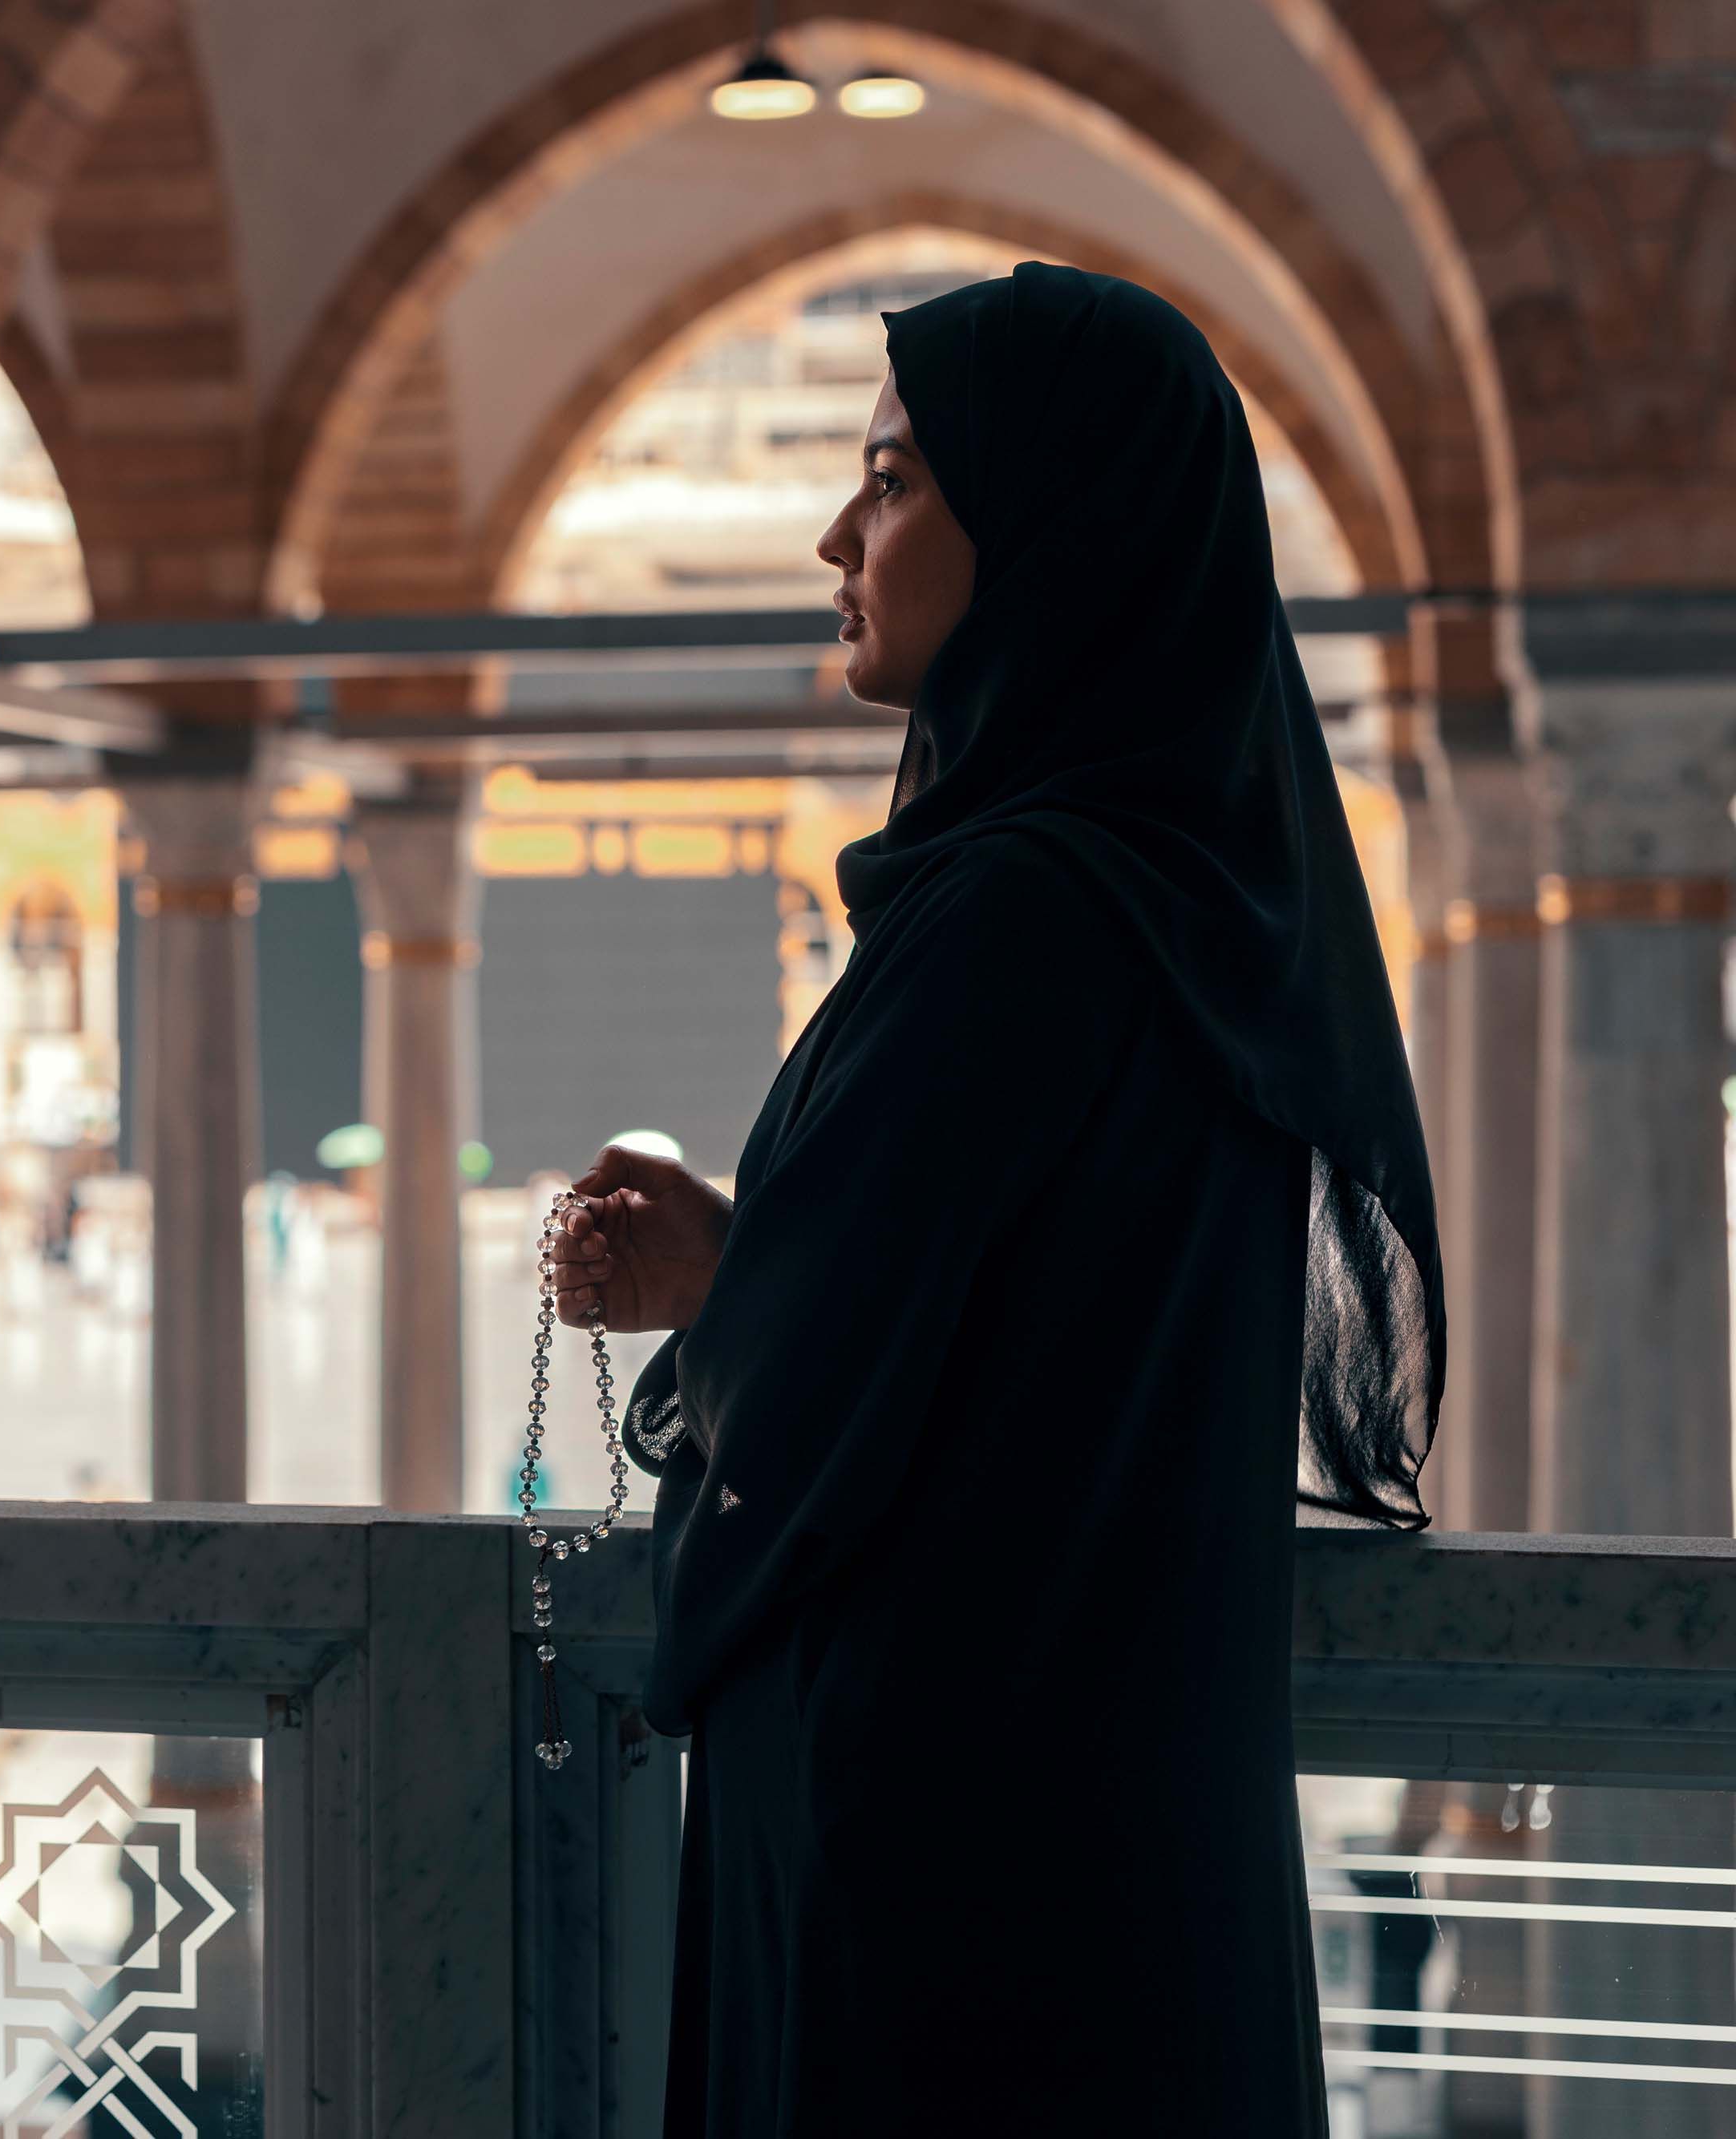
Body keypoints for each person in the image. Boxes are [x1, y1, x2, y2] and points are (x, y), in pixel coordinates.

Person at [547, 264, 1439, 2137]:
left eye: (889, 480)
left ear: (1047, 528)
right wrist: (758, 1258)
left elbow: (829, 1399)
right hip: (1109, 1812)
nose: (831, 534)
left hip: (933, 1858)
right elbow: (1005, 1321)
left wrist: (727, 1280)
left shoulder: (1018, 916)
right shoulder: (1170, 903)